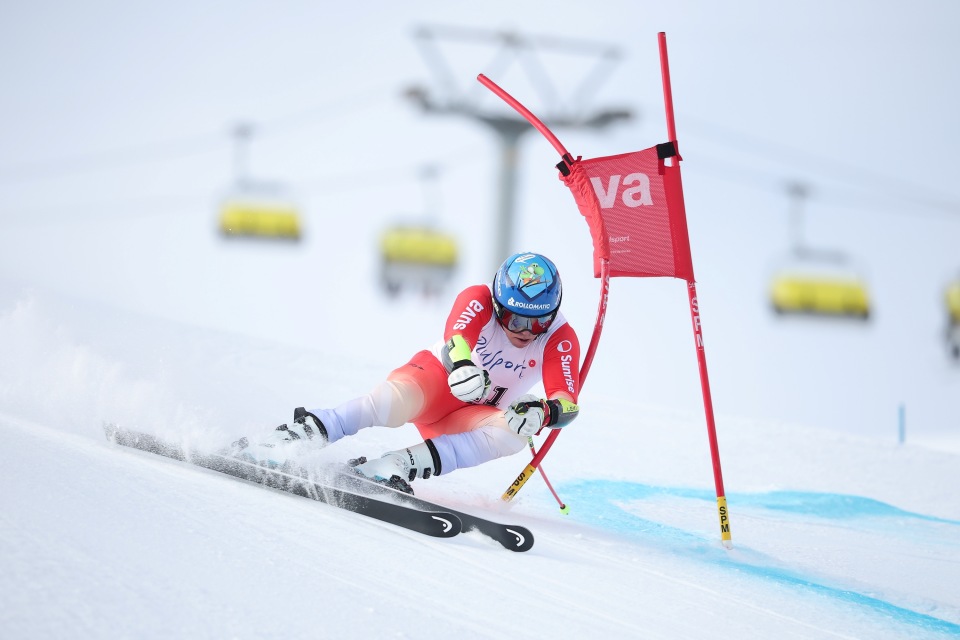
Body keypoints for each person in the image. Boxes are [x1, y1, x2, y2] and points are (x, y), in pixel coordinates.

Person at [234, 251, 582, 491]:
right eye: (513, 317)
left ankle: (393, 466)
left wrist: (543, 412)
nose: (525, 330)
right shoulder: (478, 298)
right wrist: (461, 364)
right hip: (435, 385)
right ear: (497, 303)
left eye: (539, 321)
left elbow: (567, 403)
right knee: (392, 401)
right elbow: (456, 337)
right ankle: (297, 436)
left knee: (512, 436)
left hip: (470, 417)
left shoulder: (560, 338)